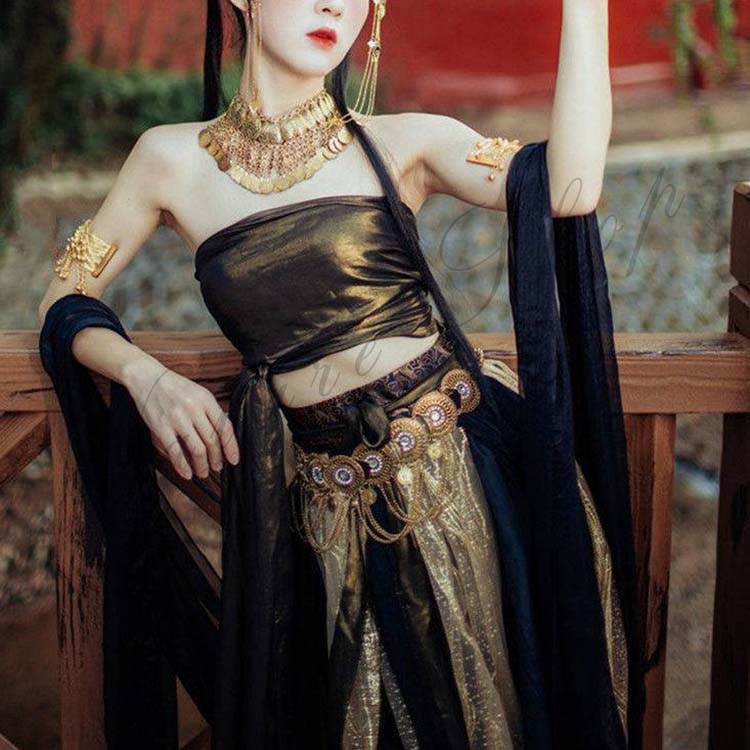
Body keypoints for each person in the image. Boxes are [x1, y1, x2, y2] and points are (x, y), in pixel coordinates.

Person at [37, 0, 644, 748]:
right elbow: (64, 298)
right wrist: (147, 377)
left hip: (468, 479)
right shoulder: (167, 160)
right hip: (326, 515)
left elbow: (569, 187)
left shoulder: (403, 142)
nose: (337, 5)